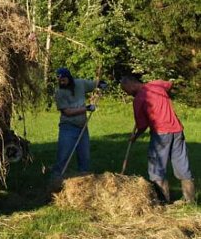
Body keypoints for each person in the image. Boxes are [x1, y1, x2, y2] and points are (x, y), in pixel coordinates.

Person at [120, 76, 195, 204]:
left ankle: (163, 201)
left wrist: (135, 136)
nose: (127, 93)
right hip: (177, 130)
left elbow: (142, 125)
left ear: (131, 84)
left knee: (157, 169)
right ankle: (190, 201)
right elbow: (170, 84)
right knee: (182, 164)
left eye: (126, 90)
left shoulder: (139, 99)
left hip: (161, 134)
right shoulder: (157, 85)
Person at [50, 67, 107, 182]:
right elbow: (67, 112)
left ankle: (84, 179)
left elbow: (93, 84)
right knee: (63, 155)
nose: (61, 82)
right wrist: (86, 108)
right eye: (60, 81)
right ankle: (56, 180)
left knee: (84, 156)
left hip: (82, 128)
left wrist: (101, 84)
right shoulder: (59, 93)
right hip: (68, 128)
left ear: (69, 77)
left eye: (63, 80)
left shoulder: (80, 83)